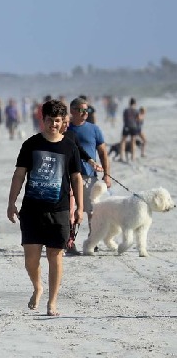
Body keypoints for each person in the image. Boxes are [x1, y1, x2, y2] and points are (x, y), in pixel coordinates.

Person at [7, 99, 83, 317]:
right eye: (50, 120)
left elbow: (76, 178)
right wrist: (12, 202)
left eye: (57, 121)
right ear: (43, 119)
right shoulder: (30, 145)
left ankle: (52, 301)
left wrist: (79, 207)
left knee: (55, 256)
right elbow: (19, 174)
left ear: (63, 121)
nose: (53, 125)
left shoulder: (69, 146)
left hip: (58, 210)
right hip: (32, 209)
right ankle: (37, 287)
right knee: (31, 259)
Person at [66, 97, 111, 248]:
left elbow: (103, 153)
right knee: (71, 212)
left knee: (93, 212)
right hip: (70, 176)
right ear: (72, 111)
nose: (85, 113)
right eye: (81, 110)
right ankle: (70, 242)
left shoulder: (94, 129)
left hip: (90, 176)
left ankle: (93, 240)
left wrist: (106, 174)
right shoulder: (66, 129)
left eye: (87, 110)